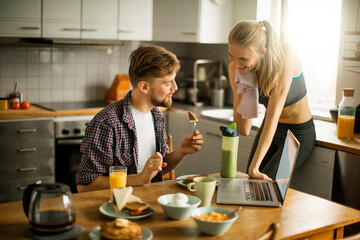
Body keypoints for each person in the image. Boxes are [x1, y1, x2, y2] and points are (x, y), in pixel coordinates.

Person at [76, 44, 204, 192]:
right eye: (168, 82)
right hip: (117, 208)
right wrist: (138, 179)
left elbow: (156, 170)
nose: (175, 87)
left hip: (149, 201)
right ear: (144, 87)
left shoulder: (156, 116)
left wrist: (181, 151)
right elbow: (84, 186)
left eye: (174, 80)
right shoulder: (107, 123)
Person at [227, 20, 316, 180]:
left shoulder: (286, 55)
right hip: (270, 131)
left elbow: (272, 116)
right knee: (252, 183)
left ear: (262, 52)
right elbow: (243, 129)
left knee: (267, 185)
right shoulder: (237, 68)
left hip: (297, 133)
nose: (236, 64)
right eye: (231, 56)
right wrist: (241, 81)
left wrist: (254, 168)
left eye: (243, 58)